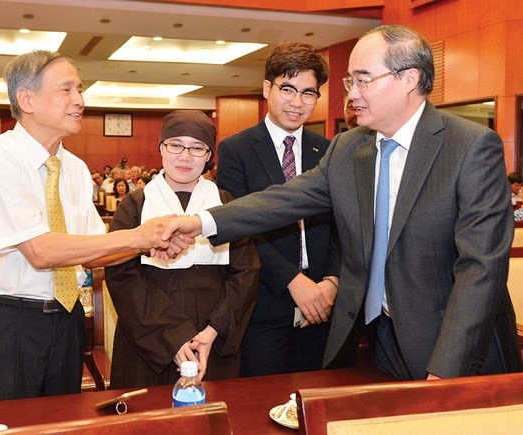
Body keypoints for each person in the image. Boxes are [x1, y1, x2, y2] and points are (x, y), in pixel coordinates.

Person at [162, 24, 522, 381]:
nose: (352, 94)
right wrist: (198, 223)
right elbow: (283, 200)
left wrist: (444, 372)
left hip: (453, 350)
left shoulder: (470, 146)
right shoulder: (350, 148)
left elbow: (481, 270)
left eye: (363, 79)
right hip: (382, 341)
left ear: (409, 79)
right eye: (350, 81)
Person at [0, 50, 188, 404]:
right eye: (66, 90)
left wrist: (149, 244)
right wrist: (138, 235)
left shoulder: (75, 168)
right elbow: (41, 251)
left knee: (63, 422)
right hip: (5, 324)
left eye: (79, 89)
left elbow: (97, 249)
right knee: (1, 425)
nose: (80, 100)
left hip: (66, 320)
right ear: (27, 99)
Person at [105, 110, 259, 388]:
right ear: (161, 148)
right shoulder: (134, 205)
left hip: (212, 340)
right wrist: (173, 337)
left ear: (209, 155)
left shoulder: (226, 205)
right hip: (148, 338)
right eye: (175, 145)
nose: (185, 156)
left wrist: (213, 331)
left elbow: (246, 272)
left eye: (197, 147)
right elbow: (122, 276)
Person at [216, 41, 341, 376]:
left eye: (308, 92)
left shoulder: (330, 152)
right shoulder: (236, 150)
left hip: (324, 307)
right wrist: (293, 280)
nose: (297, 102)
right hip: (265, 306)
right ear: (267, 88)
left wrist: (331, 281)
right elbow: (240, 228)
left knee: (319, 406)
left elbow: (343, 228)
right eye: (288, 89)